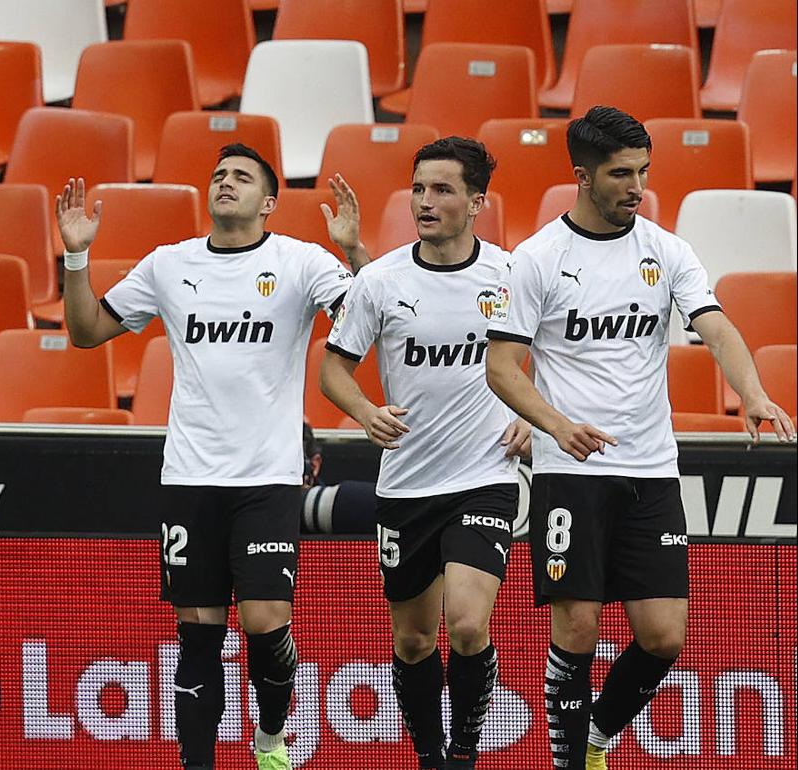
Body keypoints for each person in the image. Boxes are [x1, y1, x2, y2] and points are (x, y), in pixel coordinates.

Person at [484, 105, 796, 770]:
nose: (636, 186)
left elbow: (714, 325)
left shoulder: (666, 249)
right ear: (582, 175)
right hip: (570, 469)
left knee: (663, 635)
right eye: (621, 173)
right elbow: (501, 369)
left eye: (643, 172)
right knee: (578, 626)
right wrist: (557, 426)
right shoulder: (539, 259)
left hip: (651, 469)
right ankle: (571, 761)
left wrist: (751, 389)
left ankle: (595, 736)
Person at [57, 144, 368, 770]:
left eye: (242, 177)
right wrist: (76, 254)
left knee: (264, 621)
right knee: (199, 634)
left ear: (269, 203)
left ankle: (272, 741)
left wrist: (354, 252)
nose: (226, 182)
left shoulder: (302, 262)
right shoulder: (169, 265)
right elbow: (86, 330)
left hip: (268, 476)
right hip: (191, 476)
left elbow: (374, 316)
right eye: (219, 174)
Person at [320, 137, 530, 770]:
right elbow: (335, 370)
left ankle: (464, 750)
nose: (425, 202)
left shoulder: (509, 273)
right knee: (413, 641)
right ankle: (430, 756)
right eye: (418, 189)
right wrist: (365, 412)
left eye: (442, 190)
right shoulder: (380, 280)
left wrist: (531, 412)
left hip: (485, 476)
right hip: (407, 485)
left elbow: (547, 350)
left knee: (467, 625)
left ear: (476, 201)